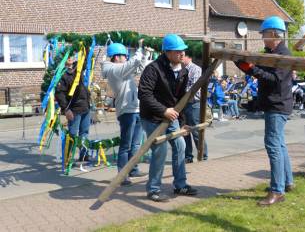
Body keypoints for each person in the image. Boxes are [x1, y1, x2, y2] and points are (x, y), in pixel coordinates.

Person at [235, 16, 294, 206]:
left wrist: (252, 69)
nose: (262, 38)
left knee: (273, 145)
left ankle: (277, 190)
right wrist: (244, 64)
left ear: (274, 34)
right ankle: (287, 181)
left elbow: (274, 79)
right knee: (280, 144)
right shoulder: (270, 52)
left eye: (265, 34)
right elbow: (259, 70)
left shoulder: (283, 55)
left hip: (277, 105)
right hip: (275, 104)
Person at [138, 34, 198, 202]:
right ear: (168, 52)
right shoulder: (153, 69)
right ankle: (153, 189)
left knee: (180, 145)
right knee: (160, 149)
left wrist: (183, 124)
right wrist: (164, 110)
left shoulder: (183, 71)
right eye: (178, 51)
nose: (182, 54)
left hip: (172, 117)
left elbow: (181, 99)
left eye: (183, 51)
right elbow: (144, 94)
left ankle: (180, 185)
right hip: (152, 117)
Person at [101, 40, 149, 185]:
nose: (126, 58)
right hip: (126, 111)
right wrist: (139, 49)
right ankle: (122, 175)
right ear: (116, 57)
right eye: (124, 56)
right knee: (125, 145)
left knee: (135, 145)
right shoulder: (112, 69)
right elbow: (131, 65)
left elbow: (139, 68)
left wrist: (145, 54)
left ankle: (133, 169)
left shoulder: (123, 68)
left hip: (137, 108)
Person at [55, 52, 91, 162]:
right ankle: (68, 158)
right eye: (67, 56)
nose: (70, 58)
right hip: (74, 109)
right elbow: (60, 94)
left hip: (85, 105)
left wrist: (86, 48)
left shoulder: (77, 67)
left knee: (84, 132)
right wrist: (66, 109)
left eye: (71, 55)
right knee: (72, 134)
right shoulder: (61, 74)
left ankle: (84, 155)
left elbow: (85, 61)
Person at [182, 53, 208, 163]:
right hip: (182, 104)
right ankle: (188, 156)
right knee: (184, 131)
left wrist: (179, 91)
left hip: (194, 104)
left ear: (189, 57)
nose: (181, 58)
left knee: (196, 130)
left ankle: (203, 155)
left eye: (183, 56)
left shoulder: (196, 69)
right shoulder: (180, 70)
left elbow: (194, 88)